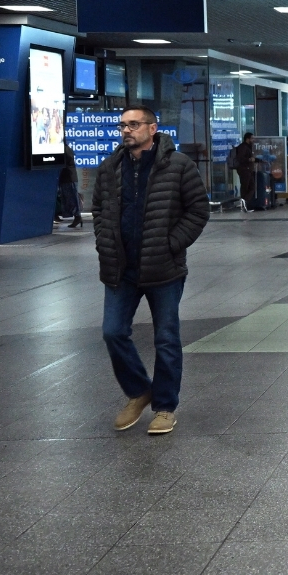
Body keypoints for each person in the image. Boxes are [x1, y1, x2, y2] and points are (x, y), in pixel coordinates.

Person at [93, 106, 210, 437]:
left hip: (164, 268)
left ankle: (164, 408)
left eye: (134, 125)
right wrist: (104, 242)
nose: (126, 130)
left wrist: (173, 243)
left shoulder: (178, 166)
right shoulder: (110, 168)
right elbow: (99, 209)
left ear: (152, 128)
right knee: (113, 332)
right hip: (121, 268)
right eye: (123, 125)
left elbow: (198, 209)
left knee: (166, 338)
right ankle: (139, 390)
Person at [56, 142, 82, 229]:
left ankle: (77, 217)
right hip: (68, 177)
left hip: (68, 177)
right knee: (69, 198)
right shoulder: (67, 149)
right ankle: (77, 216)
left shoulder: (65, 150)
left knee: (72, 199)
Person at [232, 132, 257, 211]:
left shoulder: (249, 147)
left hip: (248, 170)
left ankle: (244, 202)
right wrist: (249, 159)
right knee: (245, 187)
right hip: (244, 170)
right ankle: (244, 203)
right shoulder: (243, 147)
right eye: (252, 138)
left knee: (251, 187)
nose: (253, 140)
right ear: (247, 139)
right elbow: (241, 159)